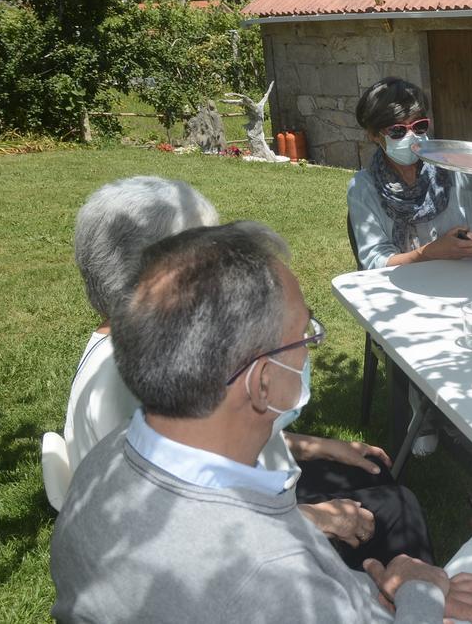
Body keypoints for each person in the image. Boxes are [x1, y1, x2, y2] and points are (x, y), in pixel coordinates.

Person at [51, 221, 472, 623]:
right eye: (304, 336)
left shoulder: (108, 464)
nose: (309, 350)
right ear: (262, 383)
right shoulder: (266, 569)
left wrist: (367, 584)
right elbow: (273, 581)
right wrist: (421, 584)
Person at [63, 177, 431, 569]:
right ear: (157, 271)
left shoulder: (140, 350)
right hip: (240, 534)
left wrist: (318, 446)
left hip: (252, 488)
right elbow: (183, 528)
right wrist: (316, 518)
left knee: (378, 476)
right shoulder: (135, 380)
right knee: (398, 508)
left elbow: (216, 434)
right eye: (211, 253)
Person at [348, 77, 472, 271]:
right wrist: (428, 253)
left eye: (418, 126)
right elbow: (374, 263)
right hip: (405, 290)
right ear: (374, 135)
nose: (411, 136)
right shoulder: (363, 187)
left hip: (463, 281)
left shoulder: (456, 168)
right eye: (397, 130)